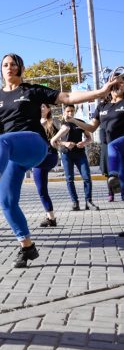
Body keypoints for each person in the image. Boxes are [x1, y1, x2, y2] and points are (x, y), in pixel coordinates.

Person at [0, 53, 115, 268]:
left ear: (20, 68)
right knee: (7, 202)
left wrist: (101, 92)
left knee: (2, 141)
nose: (9, 68)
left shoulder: (31, 91)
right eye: (5, 65)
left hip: (34, 144)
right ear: (1, 69)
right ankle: (27, 246)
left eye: (13, 64)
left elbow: (67, 98)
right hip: (11, 154)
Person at [63, 68, 124, 232]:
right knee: (123, 186)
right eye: (115, 81)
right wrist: (74, 120)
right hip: (114, 152)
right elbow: (91, 127)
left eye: (121, 82)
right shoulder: (102, 106)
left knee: (114, 152)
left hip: (121, 145)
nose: (118, 84)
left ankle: (113, 176)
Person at [50, 104, 96, 211]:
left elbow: (89, 138)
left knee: (87, 177)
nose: (70, 113)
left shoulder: (80, 123)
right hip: (66, 154)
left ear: (74, 111)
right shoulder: (59, 124)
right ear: (64, 112)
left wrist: (84, 143)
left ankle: (88, 201)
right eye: (68, 111)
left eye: (72, 111)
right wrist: (65, 143)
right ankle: (75, 202)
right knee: (69, 179)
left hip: (80, 153)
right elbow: (54, 141)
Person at [32, 104, 60, 227]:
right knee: (42, 190)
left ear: (49, 109)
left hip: (49, 156)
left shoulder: (53, 122)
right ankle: (51, 218)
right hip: (37, 158)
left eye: (44, 106)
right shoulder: (32, 122)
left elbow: (64, 130)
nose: (41, 108)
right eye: (40, 106)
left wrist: (55, 140)